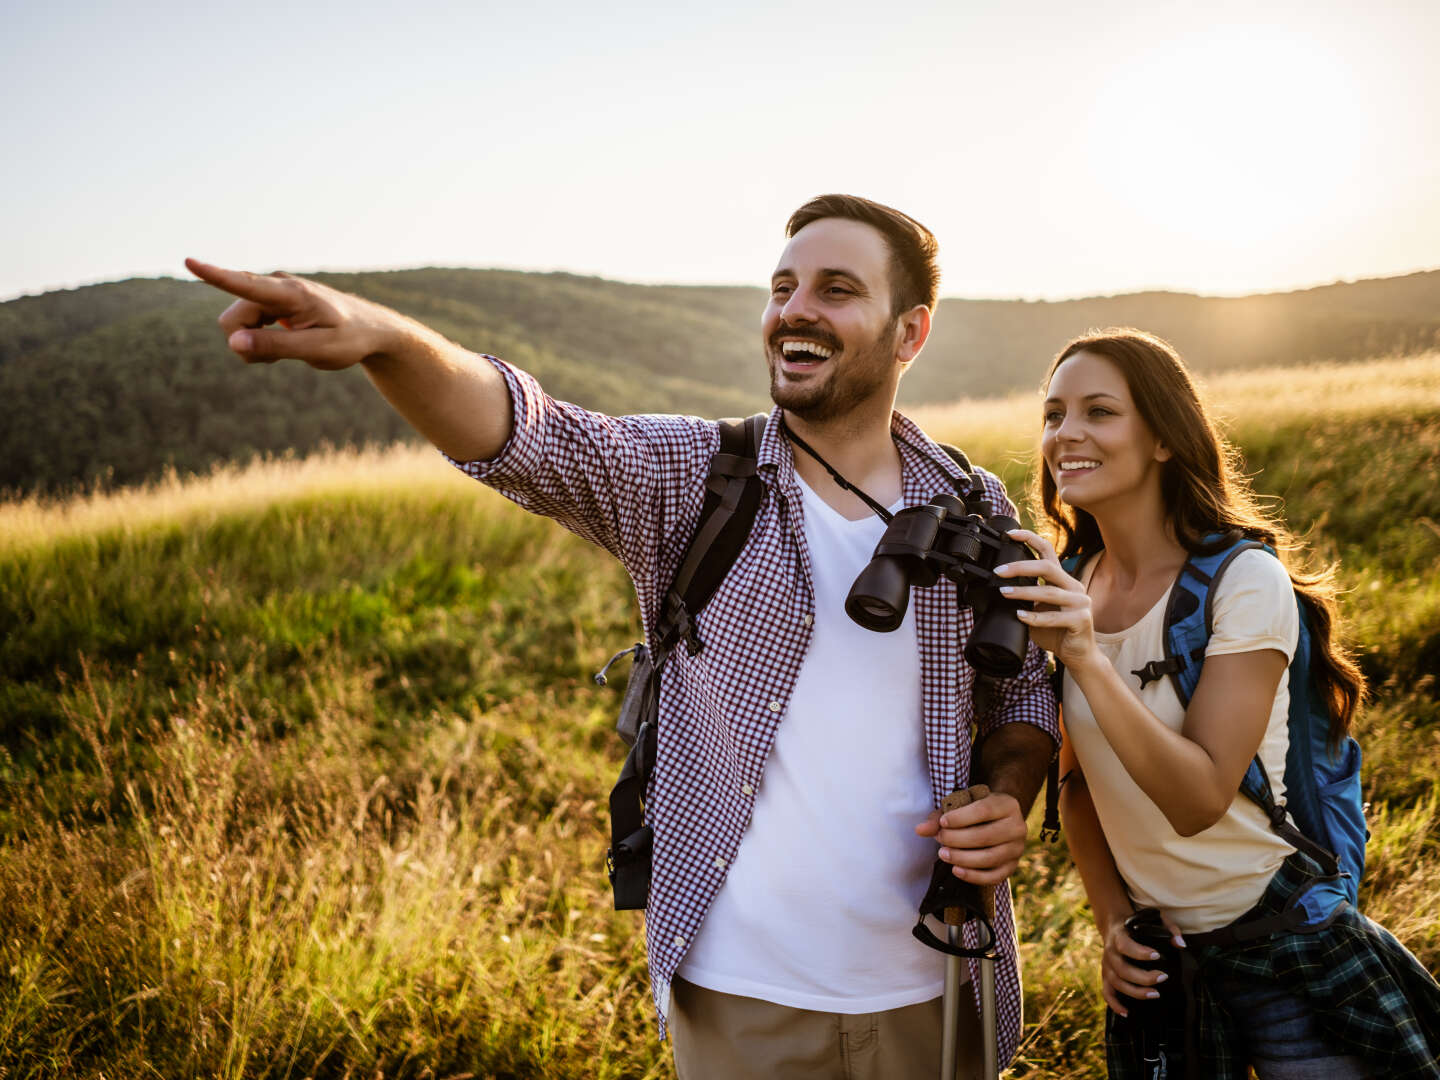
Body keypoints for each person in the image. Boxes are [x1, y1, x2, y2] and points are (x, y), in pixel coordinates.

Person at [186, 194, 1060, 1080]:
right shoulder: (696, 480)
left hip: (939, 982)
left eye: (836, 289)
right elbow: (528, 435)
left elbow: (1023, 692)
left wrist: (1008, 791)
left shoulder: (973, 501)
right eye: (783, 286)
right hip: (744, 999)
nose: (795, 310)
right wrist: (387, 340)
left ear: (909, 334)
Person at [994, 328, 1440, 1079]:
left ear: (1165, 437)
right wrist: (1113, 926)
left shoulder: (1243, 581)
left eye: (1099, 411)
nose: (1066, 433)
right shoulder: (1068, 582)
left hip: (1285, 944)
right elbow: (1077, 788)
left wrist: (1083, 657)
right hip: (1170, 971)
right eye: (1053, 414)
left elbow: (1199, 798)